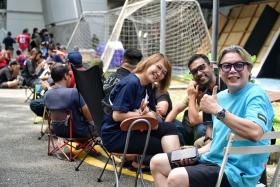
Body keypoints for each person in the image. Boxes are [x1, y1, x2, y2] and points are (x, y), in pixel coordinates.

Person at [150, 45, 274, 187]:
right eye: (227, 66)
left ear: (249, 69)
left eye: (239, 65)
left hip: (236, 171)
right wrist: (193, 153)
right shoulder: (219, 97)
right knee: (157, 162)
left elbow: (255, 132)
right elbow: (216, 143)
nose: (232, 70)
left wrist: (218, 111)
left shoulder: (255, 95)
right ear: (220, 70)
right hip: (213, 159)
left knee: (176, 177)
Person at [101, 53, 180, 167]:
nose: (159, 73)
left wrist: (147, 112)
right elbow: (117, 116)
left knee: (171, 127)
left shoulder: (148, 85)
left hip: (133, 129)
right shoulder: (131, 83)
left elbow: (153, 113)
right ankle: (171, 168)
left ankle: (142, 162)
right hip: (116, 136)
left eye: (164, 73)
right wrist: (139, 114)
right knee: (163, 145)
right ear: (148, 63)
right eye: (158, 67)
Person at [165, 54, 216, 146]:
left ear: (211, 66)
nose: (199, 73)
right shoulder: (199, 87)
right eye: (194, 71)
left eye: (202, 67)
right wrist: (164, 128)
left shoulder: (220, 88)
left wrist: (192, 96)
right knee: (171, 125)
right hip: (190, 130)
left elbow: (194, 121)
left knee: (200, 128)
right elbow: (177, 108)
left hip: (209, 130)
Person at [44, 63, 95, 138]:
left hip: (56, 131)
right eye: (69, 75)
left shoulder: (47, 94)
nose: (70, 78)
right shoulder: (73, 92)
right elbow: (88, 116)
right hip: (77, 132)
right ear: (65, 76)